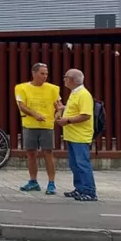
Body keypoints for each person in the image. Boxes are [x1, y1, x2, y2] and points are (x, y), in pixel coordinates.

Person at [16, 63, 64, 195]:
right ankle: (33, 181)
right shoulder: (22, 88)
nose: (45, 76)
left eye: (46, 74)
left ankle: (51, 183)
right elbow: (22, 105)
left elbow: (59, 106)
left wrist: (58, 113)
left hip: (47, 126)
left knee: (48, 153)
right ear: (34, 73)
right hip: (30, 125)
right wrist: (35, 114)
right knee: (31, 153)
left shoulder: (53, 89)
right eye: (42, 73)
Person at [57, 68, 98, 202]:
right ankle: (80, 188)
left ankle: (90, 191)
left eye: (65, 77)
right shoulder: (74, 93)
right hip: (72, 135)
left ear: (72, 80)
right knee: (74, 164)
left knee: (82, 164)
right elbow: (75, 109)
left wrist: (67, 120)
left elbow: (85, 115)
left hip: (80, 136)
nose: (64, 79)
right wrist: (63, 108)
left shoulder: (83, 94)